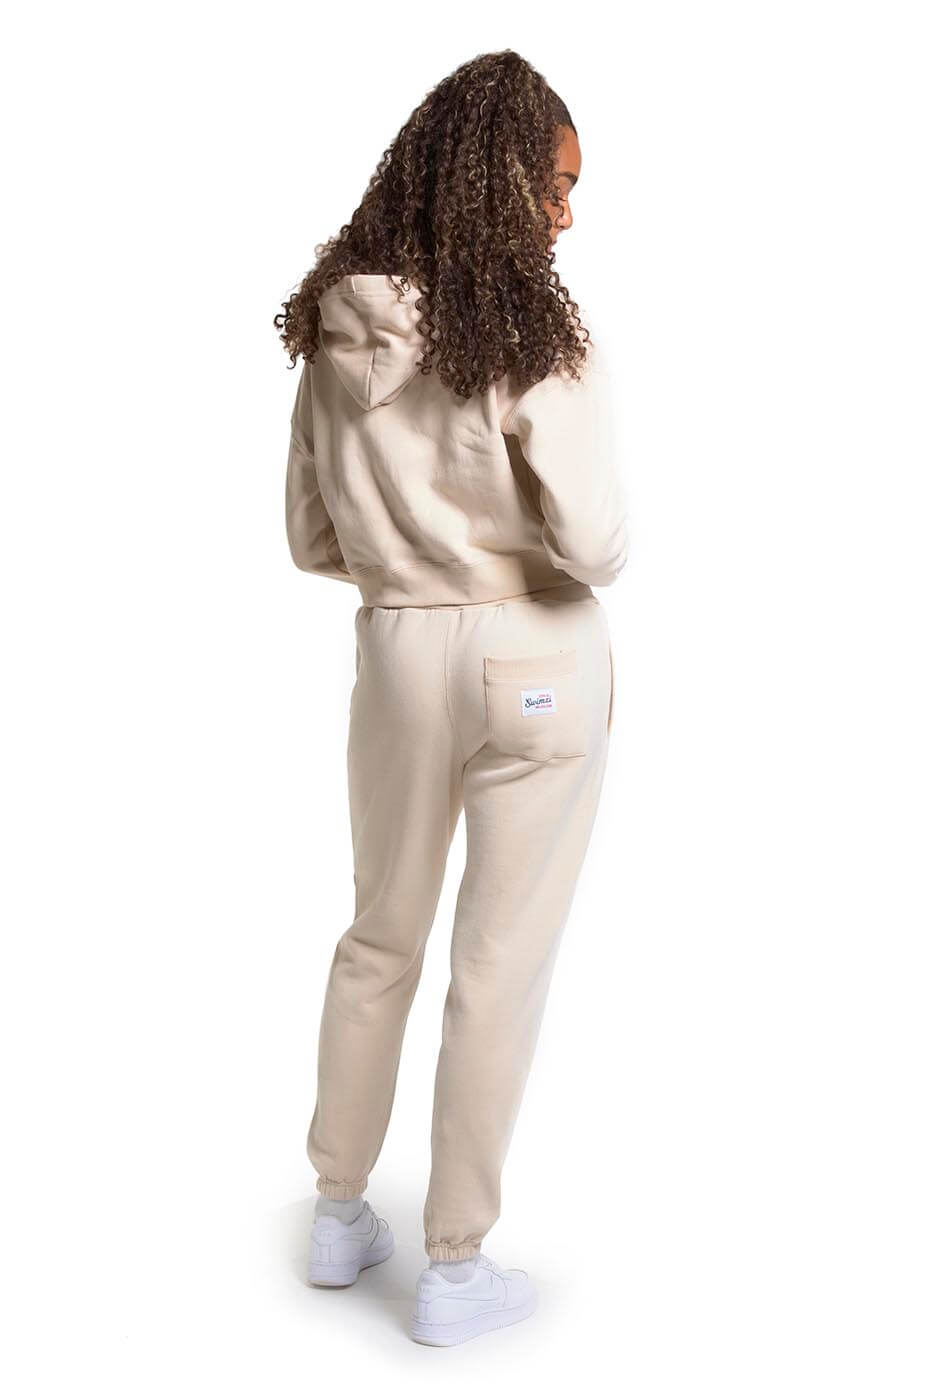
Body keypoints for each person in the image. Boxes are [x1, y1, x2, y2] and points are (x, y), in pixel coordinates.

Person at [274, 48, 628, 1346]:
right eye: (556, 184)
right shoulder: (530, 331)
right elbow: (595, 543)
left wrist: (410, 566)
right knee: (497, 962)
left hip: (394, 655)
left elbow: (311, 539)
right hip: (532, 654)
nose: (568, 214)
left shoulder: (334, 332)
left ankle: (335, 1211)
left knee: (380, 934)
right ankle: (454, 1268)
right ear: (499, 179)